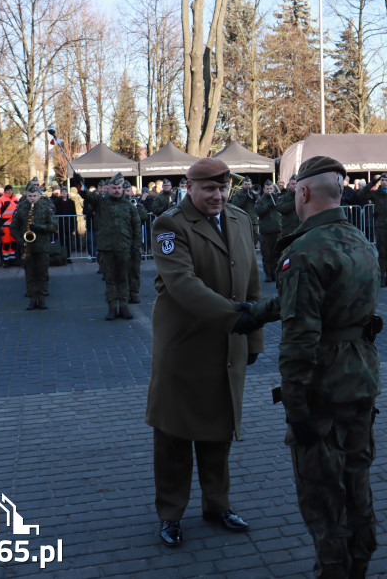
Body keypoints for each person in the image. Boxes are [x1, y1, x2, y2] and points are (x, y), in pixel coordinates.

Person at [247, 155, 382, 579]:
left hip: (322, 388)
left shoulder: (303, 252)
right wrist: (258, 311)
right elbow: (329, 302)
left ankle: (334, 572)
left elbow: (300, 337)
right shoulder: (358, 240)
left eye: (293, 191)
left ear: (303, 192)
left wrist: (295, 404)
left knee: (323, 497)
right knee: (357, 485)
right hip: (361, 380)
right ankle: (358, 566)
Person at [145, 157, 263, 548]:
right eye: (209, 188)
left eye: (223, 188)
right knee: (174, 436)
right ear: (189, 187)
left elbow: (251, 282)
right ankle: (171, 514)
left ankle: (218, 505)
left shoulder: (240, 219)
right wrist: (236, 318)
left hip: (228, 343)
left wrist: (254, 337)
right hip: (185, 346)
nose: (218, 195)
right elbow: (182, 284)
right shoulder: (170, 224)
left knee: (218, 432)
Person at [72, 172, 141, 320]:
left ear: (122, 188)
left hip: (124, 248)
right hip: (106, 248)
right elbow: (85, 195)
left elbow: (136, 227)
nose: (116, 190)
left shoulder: (129, 206)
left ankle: (123, 306)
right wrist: (79, 183)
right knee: (110, 279)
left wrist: (136, 247)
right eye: (113, 187)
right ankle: (112, 307)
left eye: (118, 187)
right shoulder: (101, 202)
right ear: (108, 188)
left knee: (123, 279)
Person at [8, 183, 57, 309]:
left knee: (42, 274)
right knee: (29, 274)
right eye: (29, 196)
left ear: (39, 196)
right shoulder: (21, 208)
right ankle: (32, 299)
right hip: (27, 247)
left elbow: (54, 226)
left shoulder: (46, 208)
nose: (32, 198)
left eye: (34, 196)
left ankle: (41, 300)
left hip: (42, 247)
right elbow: (13, 228)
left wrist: (39, 227)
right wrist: (21, 241)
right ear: (26, 195)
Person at [255, 179, 282, 282]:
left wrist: (277, 200)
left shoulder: (277, 198)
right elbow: (259, 212)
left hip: (277, 229)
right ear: (264, 189)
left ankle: (275, 273)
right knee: (266, 254)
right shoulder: (260, 200)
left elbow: (282, 209)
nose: (269, 191)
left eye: (271, 188)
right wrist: (269, 204)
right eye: (267, 189)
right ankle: (268, 274)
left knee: (277, 254)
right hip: (265, 231)